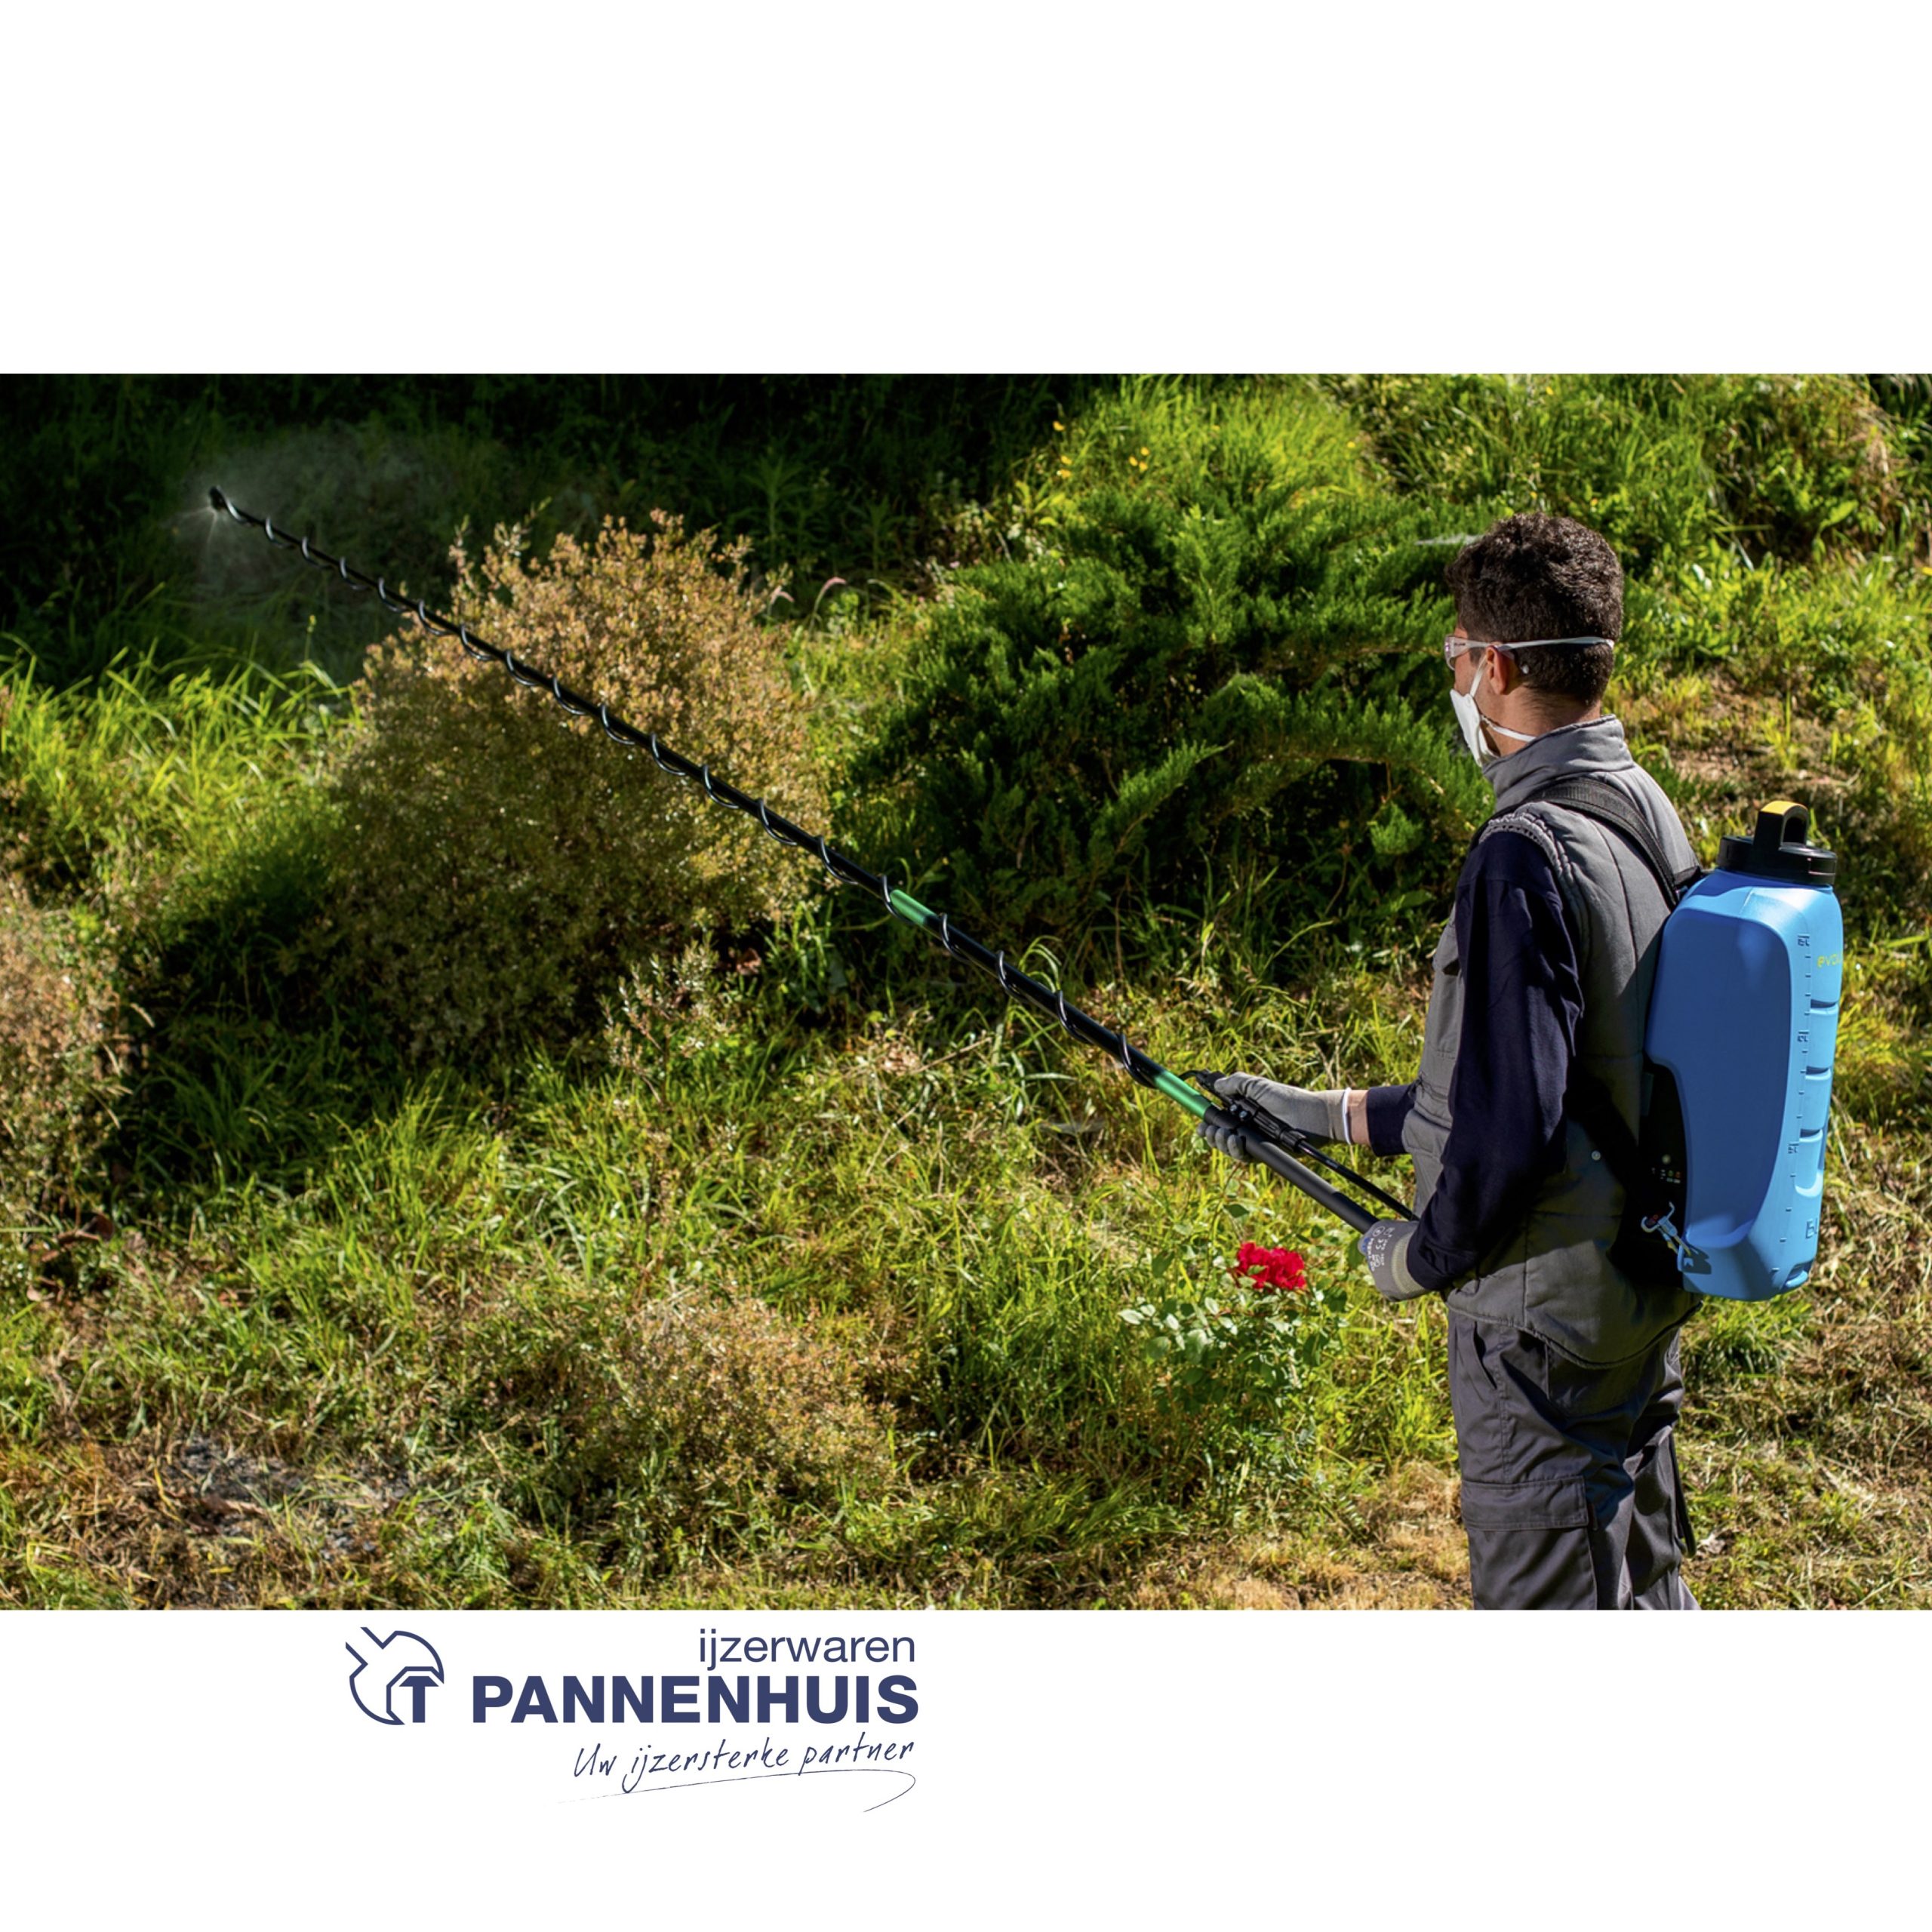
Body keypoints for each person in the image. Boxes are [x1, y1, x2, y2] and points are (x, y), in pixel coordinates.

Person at [1202, 512, 1702, 1611]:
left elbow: (1510, 1126)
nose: (1456, 675)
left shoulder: (1523, 854)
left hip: (1538, 1328)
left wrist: (1420, 1258)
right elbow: (1579, 1074)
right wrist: (1323, 1114)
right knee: (1643, 1590)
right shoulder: (1644, 809)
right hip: (1636, 1289)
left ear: (1497, 668)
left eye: (1457, 653)